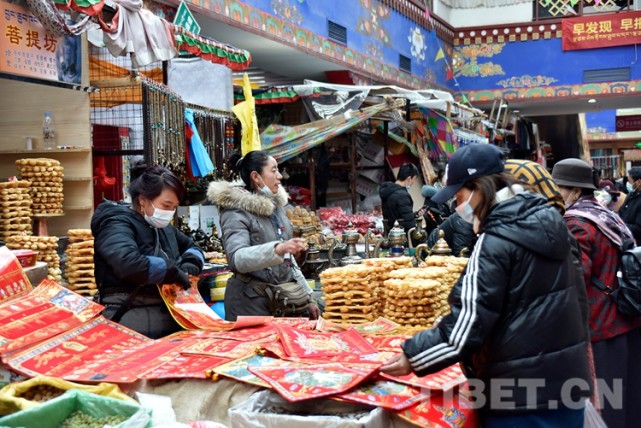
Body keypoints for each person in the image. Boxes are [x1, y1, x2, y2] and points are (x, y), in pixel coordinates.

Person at [381, 144, 592, 427]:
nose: (457, 207)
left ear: (480, 188)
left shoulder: (496, 240)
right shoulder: (553, 222)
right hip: (566, 386)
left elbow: (469, 323)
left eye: (459, 196)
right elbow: (580, 302)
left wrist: (414, 354)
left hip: (517, 398)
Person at [552, 158, 641, 428]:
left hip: (601, 327)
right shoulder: (607, 214)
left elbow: (575, 280)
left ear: (575, 191)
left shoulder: (576, 223)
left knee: (608, 404)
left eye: (560, 189)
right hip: (628, 316)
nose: (557, 195)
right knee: (630, 399)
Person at [91, 162, 205, 339]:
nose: (170, 212)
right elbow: (128, 263)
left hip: (168, 314)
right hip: (130, 318)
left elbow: (193, 247)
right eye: (166, 205)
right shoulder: (115, 223)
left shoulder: (163, 227)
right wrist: (170, 271)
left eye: (174, 207)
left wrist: (190, 266)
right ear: (143, 200)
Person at [207, 150, 320, 321]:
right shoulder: (235, 211)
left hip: (279, 301)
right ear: (256, 177)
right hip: (248, 304)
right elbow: (237, 258)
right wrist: (277, 249)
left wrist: (308, 297)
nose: (280, 176)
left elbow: (289, 261)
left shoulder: (276, 207)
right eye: (273, 170)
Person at [379, 162, 421, 235]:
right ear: (408, 178)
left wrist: (414, 215)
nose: (413, 182)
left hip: (389, 234)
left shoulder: (388, 191)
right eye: (413, 179)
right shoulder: (402, 196)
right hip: (401, 237)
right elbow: (409, 224)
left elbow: (397, 215)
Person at [618, 167, 641, 244]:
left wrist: (621, 226)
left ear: (638, 182)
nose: (628, 184)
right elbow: (621, 211)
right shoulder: (630, 195)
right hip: (626, 239)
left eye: (630, 181)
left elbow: (638, 228)